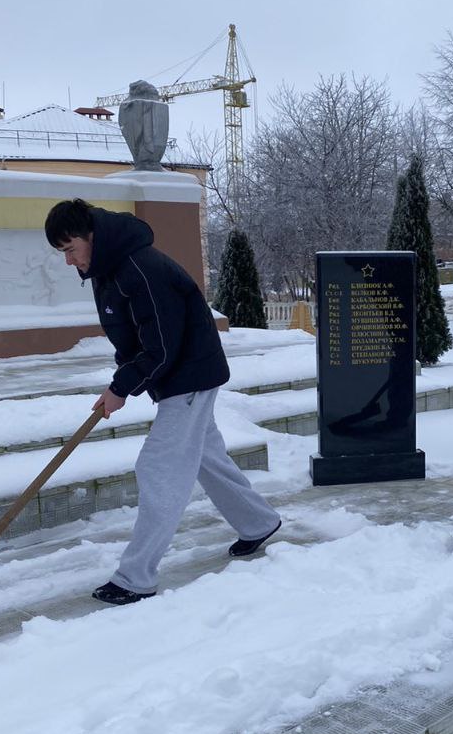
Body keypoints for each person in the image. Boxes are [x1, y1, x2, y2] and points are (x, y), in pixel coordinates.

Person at [45, 198, 281, 605]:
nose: (69, 262)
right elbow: (134, 335)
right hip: (178, 375)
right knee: (206, 456)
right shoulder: (109, 269)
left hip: (189, 375)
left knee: (159, 467)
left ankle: (136, 577)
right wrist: (124, 380)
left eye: (70, 250)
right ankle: (258, 522)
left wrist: (121, 388)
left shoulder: (139, 268)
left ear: (93, 237)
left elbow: (162, 344)